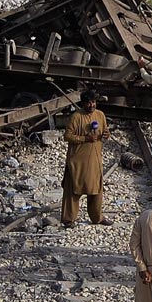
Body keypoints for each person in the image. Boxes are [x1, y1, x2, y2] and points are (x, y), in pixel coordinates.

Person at [61, 91, 107, 226]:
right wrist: (85, 139)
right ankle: (68, 219)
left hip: (94, 160)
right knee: (73, 189)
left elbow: (104, 131)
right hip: (78, 161)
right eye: (88, 103)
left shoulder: (100, 115)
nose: (91, 105)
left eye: (93, 102)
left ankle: (97, 217)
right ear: (83, 103)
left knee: (96, 189)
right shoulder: (76, 117)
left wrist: (106, 134)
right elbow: (67, 136)